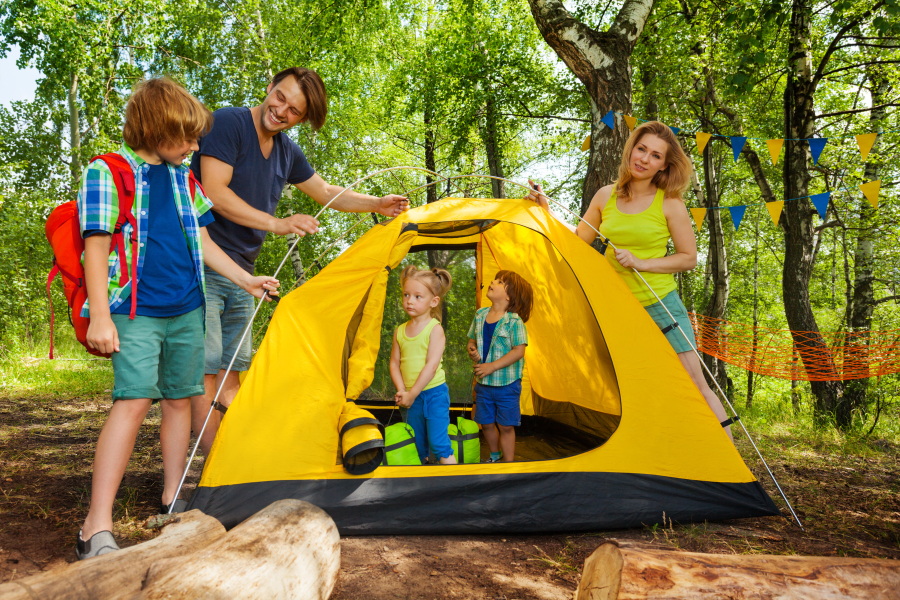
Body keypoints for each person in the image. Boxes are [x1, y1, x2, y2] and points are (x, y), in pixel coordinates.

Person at [76, 78, 280, 560]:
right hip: (135, 311)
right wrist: (100, 317)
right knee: (133, 400)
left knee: (181, 401)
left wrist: (246, 280)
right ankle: (95, 525)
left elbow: (205, 244)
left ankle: (171, 499)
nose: (194, 147)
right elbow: (96, 246)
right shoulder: (109, 173)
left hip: (187, 309)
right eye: (186, 138)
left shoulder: (185, 179)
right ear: (154, 128)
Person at [189, 67, 409, 455]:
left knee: (231, 377)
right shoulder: (228, 123)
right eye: (280, 98)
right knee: (205, 376)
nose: (281, 111)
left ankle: (231, 463)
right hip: (203, 265)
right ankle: (211, 472)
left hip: (244, 276)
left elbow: (325, 191)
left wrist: (376, 204)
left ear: (302, 118)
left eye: (294, 110)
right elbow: (214, 193)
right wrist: (278, 224)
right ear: (269, 87)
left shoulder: (287, 151)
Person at [528, 120, 734, 441]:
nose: (644, 159)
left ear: (664, 164)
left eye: (655, 155)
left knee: (695, 383)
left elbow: (688, 258)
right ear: (631, 149)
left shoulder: (670, 203)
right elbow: (577, 240)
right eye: (641, 149)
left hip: (660, 307)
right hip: (618, 310)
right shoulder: (604, 196)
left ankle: (731, 465)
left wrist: (641, 262)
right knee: (633, 389)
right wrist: (546, 212)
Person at [389, 266, 457, 465]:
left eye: (418, 296)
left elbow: (431, 366)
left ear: (433, 302)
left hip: (433, 394)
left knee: (438, 443)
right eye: (406, 294)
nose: (409, 300)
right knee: (417, 444)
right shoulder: (400, 331)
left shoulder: (434, 330)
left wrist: (412, 394)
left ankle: (456, 487)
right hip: (411, 398)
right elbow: (394, 363)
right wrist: (403, 391)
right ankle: (425, 485)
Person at [466, 271, 532, 462]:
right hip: (484, 383)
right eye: (495, 279)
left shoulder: (514, 321)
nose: (493, 281)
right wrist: (472, 350)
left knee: (505, 426)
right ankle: (495, 456)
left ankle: (508, 462)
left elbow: (519, 351)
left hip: (507, 385)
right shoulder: (480, 315)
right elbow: (472, 341)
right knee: (485, 423)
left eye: (500, 281)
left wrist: (492, 366)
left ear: (509, 295)